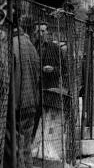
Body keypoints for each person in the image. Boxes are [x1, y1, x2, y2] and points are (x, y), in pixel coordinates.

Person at [3, 27, 41, 167]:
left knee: (14, 146)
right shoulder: (30, 44)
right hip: (30, 100)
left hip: (16, 103)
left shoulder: (10, 44)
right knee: (26, 146)